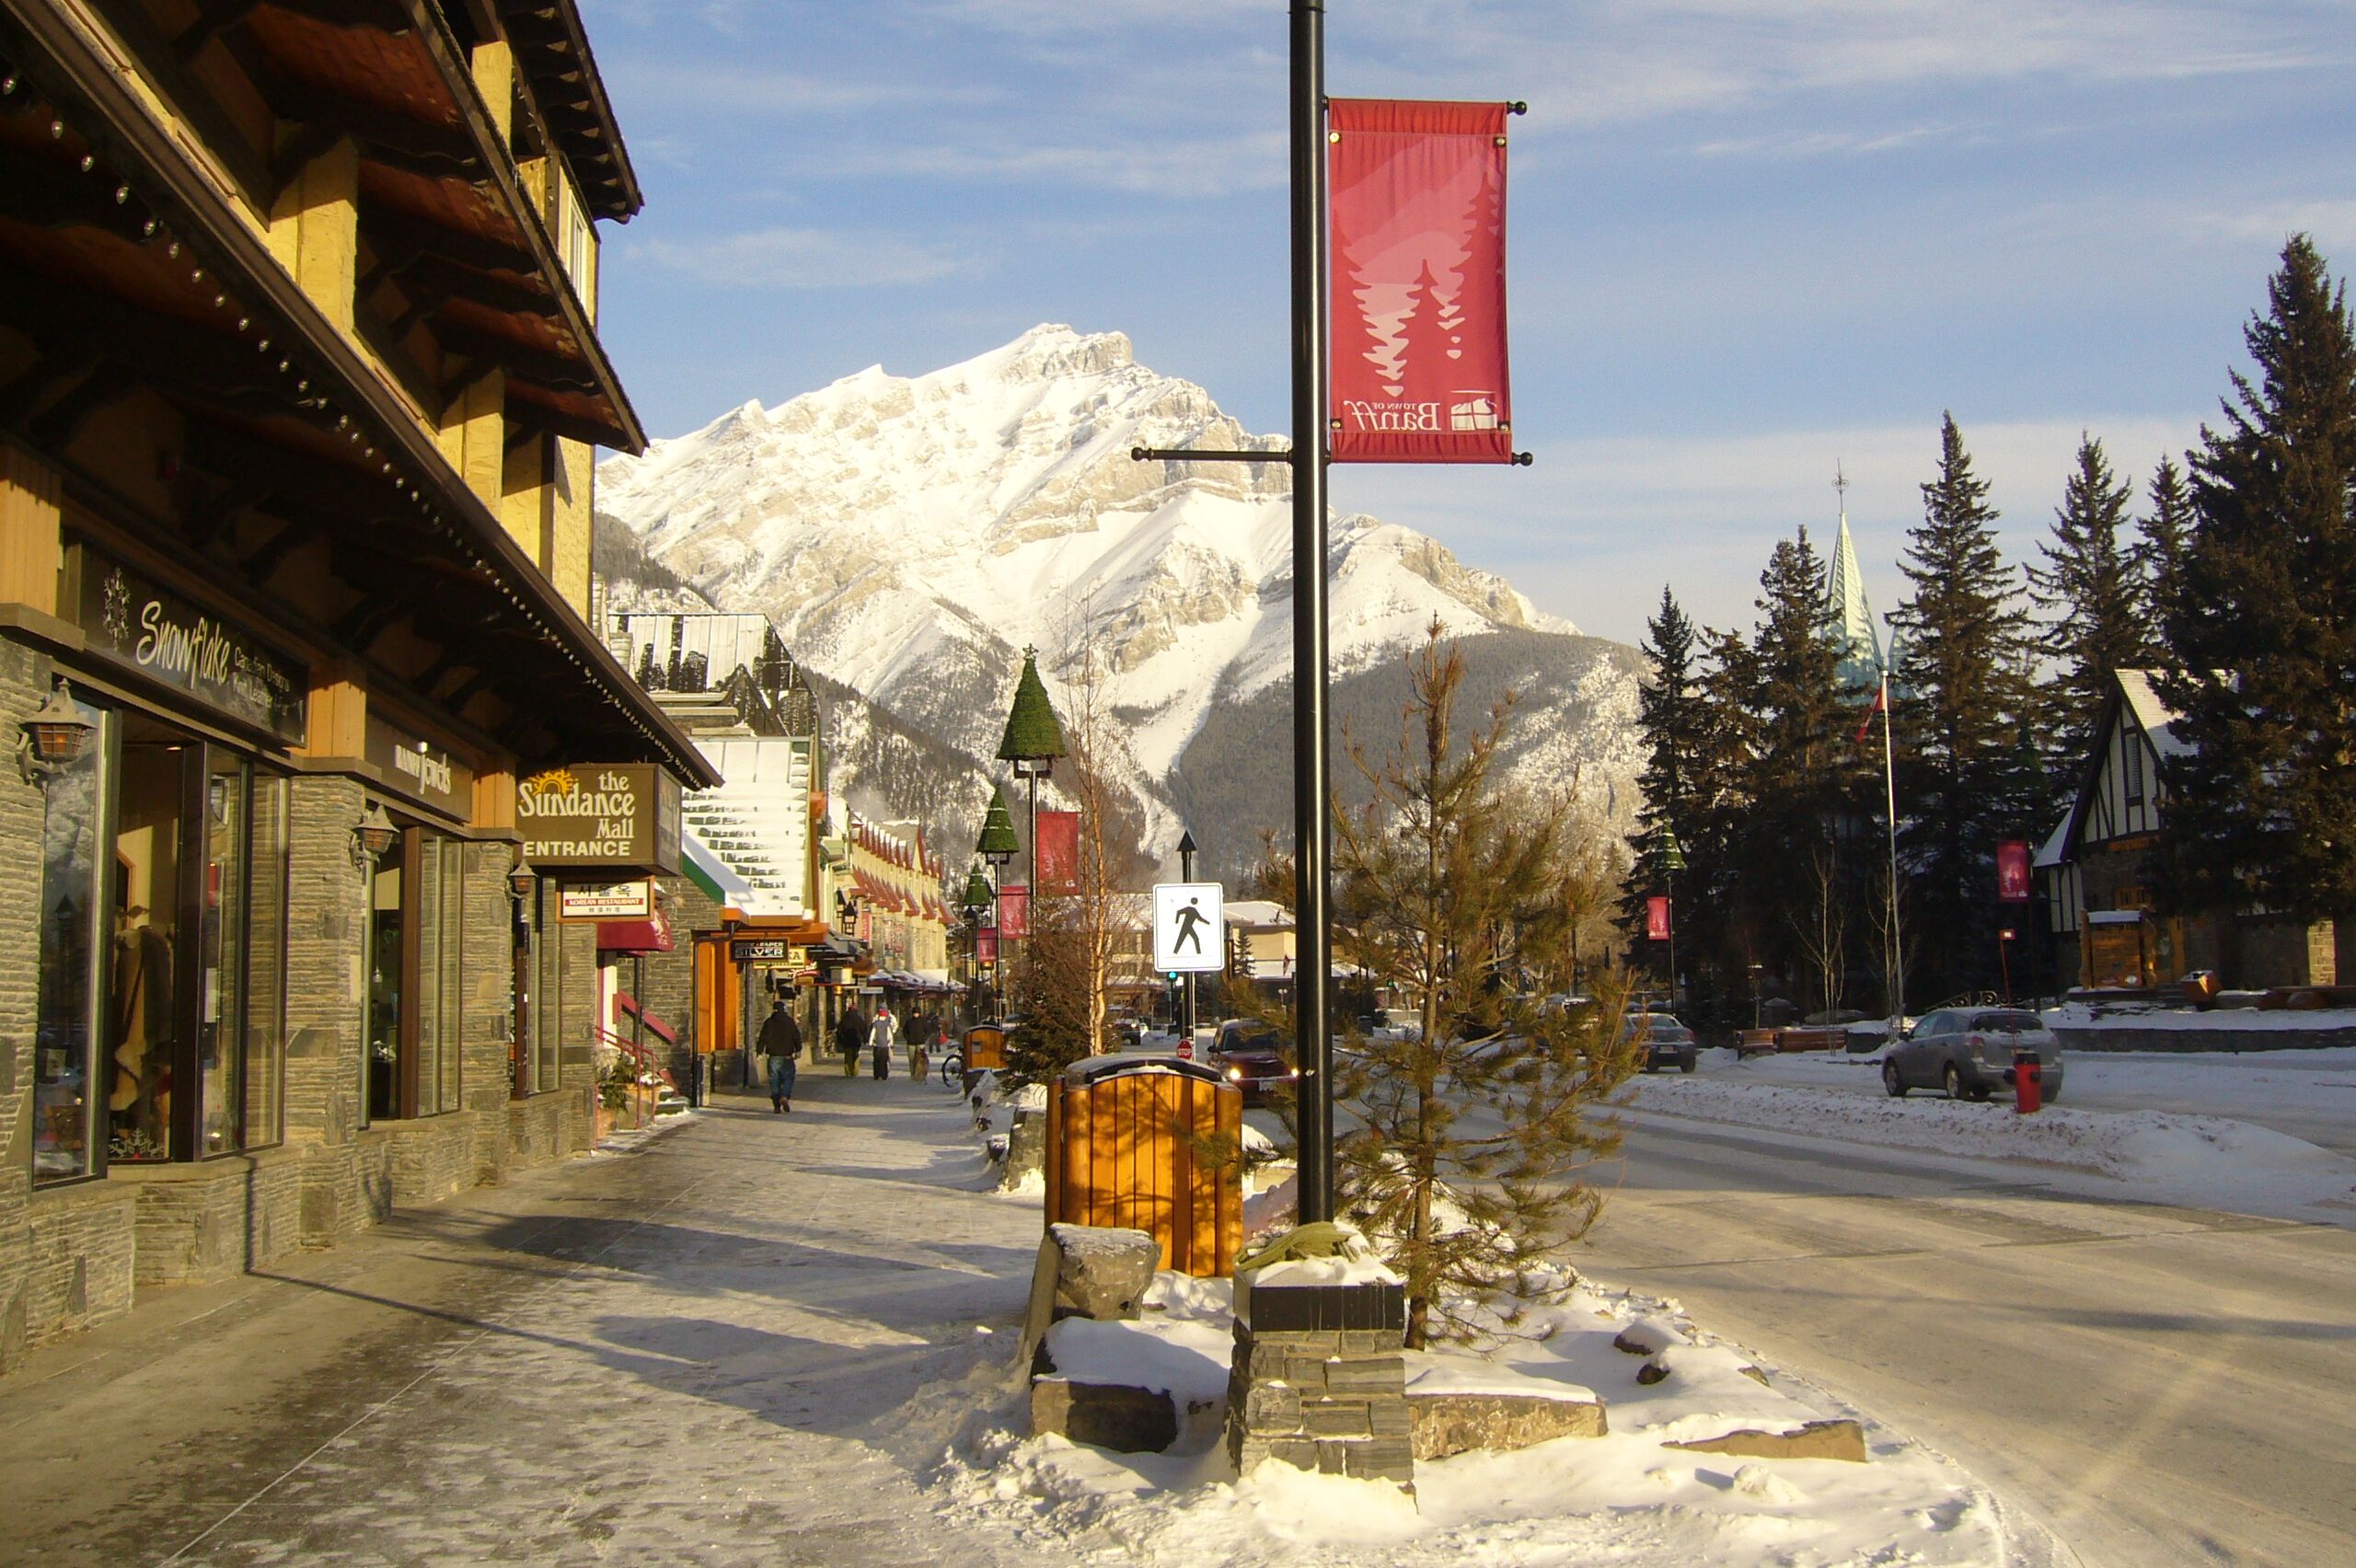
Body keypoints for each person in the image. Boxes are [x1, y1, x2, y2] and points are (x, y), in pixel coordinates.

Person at [758, 997, 803, 1113]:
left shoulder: (769, 1022)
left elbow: (763, 1038)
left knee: (774, 1080)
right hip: (787, 1055)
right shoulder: (789, 1022)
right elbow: (796, 1037)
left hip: (773, 1056)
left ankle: (776, 1104)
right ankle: (785, 1096)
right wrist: (798, 1049)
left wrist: (759, 1052)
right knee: (788, 1078)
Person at [868, 1002, 897, 1080]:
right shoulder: (888, 1022)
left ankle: (876, 1075)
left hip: (877, 1044)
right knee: (884, 1060)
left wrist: (870, 1042)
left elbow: (872, 1033)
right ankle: (884, 1075)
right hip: (885, 1045)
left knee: (876, 1060)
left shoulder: (876, 1021)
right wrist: (891, 1043)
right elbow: (890, 1035)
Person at [835, 1003, 866, 1078]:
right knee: (856, 1055)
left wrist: (840, 1040)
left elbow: (839, 1030)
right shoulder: (859, 1019)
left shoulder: (845, 1018)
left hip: (847, 1041)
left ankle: (848, 1071)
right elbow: (864, 1029)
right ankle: (855, 1071)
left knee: (848, 1055)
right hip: (856, 1040)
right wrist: (865, 1039)